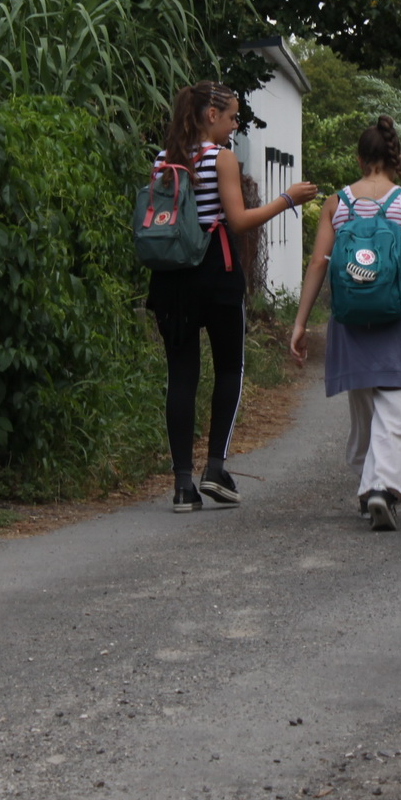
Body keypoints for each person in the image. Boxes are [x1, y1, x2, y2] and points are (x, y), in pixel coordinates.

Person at [149, 81, 316, 512]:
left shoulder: (163, 159)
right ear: (211, 116)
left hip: (170, 277)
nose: (235, 125)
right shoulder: (220, 157)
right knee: (229, 368)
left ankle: (182, 485)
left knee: (181, 377)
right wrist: (287, 199)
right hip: (214, 271)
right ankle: (215, 468)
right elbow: (238, 221)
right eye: (232, 117)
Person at [289, 116, 401, 531]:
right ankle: (381, 487)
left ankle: (368, 482)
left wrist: (300, 323)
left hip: (350, 316)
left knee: (363, 405)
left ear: (359, 159)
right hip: (395, 312)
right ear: (394, 156)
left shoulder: (336, 203)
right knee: (394, 403)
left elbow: (318, 264)